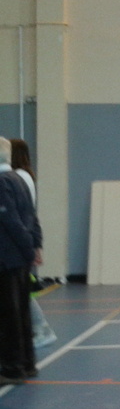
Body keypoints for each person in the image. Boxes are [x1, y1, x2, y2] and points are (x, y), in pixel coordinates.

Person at [0, 136, 42, 386]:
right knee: (22, 312)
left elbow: (11, 221)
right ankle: (27, 362)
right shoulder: (19, 179)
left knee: (8, 315)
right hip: (19, 258)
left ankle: (12, 367)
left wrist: (27, 247)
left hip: (7, 257)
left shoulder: (2, 182)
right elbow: (32, 217)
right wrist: (35, 245)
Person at [10, 139, 58, 349]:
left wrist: (33, 244)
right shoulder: (23, 177)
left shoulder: (18, 178)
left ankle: (40, 328)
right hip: (22, 238)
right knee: (18, 289)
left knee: (19, 289)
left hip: (17, 241)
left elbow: (23, 213)